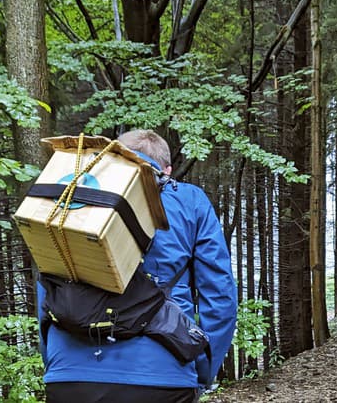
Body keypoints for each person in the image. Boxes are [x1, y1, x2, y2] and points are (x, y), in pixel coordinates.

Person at [39, 129, 238, 403]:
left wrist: (56, 362)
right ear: (166, 170)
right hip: (164, 374)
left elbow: (48, 289)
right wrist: (199, 368)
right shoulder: (190, 201)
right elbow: (220, 297)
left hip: (69, 376)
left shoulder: (76, 198)